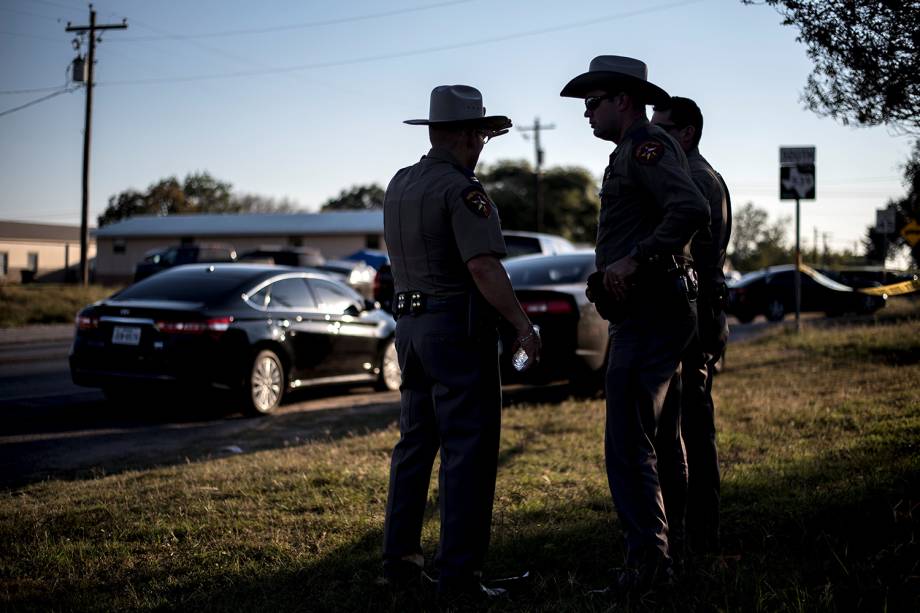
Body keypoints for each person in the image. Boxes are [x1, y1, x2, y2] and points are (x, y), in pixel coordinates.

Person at [381, 84, 542, 600]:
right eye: (482, 136)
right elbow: (483, 265)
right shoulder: (462, 190)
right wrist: (521, 323)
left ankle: (401, 563)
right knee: (467, 453)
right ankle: (461, 578)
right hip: (456, 328)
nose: (482, 146)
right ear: (469, 134)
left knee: (413, 446)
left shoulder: (400, 184)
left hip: (408, 328)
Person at [559, 56, 709, 590]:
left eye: (592, 103)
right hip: (652, 307)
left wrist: (633, 259)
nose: (586, 114)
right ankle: (672, 558)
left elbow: (691, 207)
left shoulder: (647, 146)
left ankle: (648, 568)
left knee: (628, 442)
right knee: (661, 440)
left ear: (623, 99)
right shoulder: (631, 150)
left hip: (651, 308)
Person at [652, 96, 732, 555]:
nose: (655, 137)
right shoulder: (704, 174)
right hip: (701, 314)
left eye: (663, 129)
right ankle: (695, 536)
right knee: (687, 430)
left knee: (688, 434)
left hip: (695, 317)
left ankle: (693, 539)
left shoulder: (696, 179)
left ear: (686, 133)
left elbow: (698, 263)